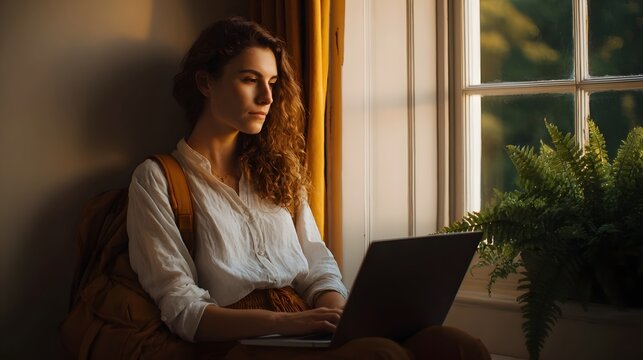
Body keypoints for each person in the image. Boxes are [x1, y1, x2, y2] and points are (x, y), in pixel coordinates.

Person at [127, 17, 491, 360]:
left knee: (456, 346)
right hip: (239, 340)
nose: (267, 99)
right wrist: (289, 323)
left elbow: (317, 267)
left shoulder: (275, 170)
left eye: (271, 83)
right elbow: (183, 308)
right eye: (250, 79)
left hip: (306, 320)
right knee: (381, 356)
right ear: (206, 83)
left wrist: (343, 315)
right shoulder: (157, 178)